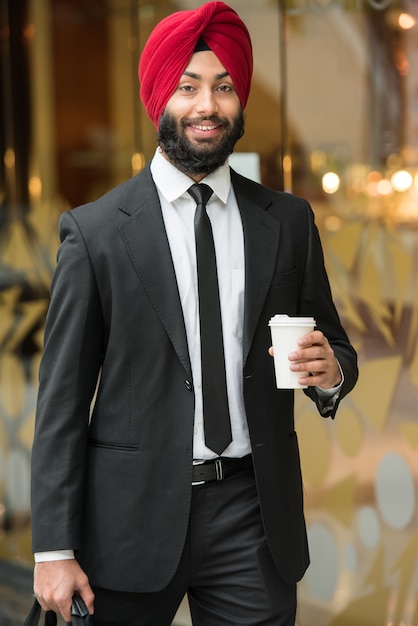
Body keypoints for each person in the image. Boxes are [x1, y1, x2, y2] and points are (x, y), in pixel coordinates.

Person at [30, 2, 358, 625]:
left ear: (240, 101)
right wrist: (53, 548)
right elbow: (62, 402)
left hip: (252, 518)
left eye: (224, 87)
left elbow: (335, 347)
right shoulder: (96, 233)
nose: (207, 106)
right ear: (160, 98)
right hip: (128, 520)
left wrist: (331, 372)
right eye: (187, 87)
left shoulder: (286, 222)